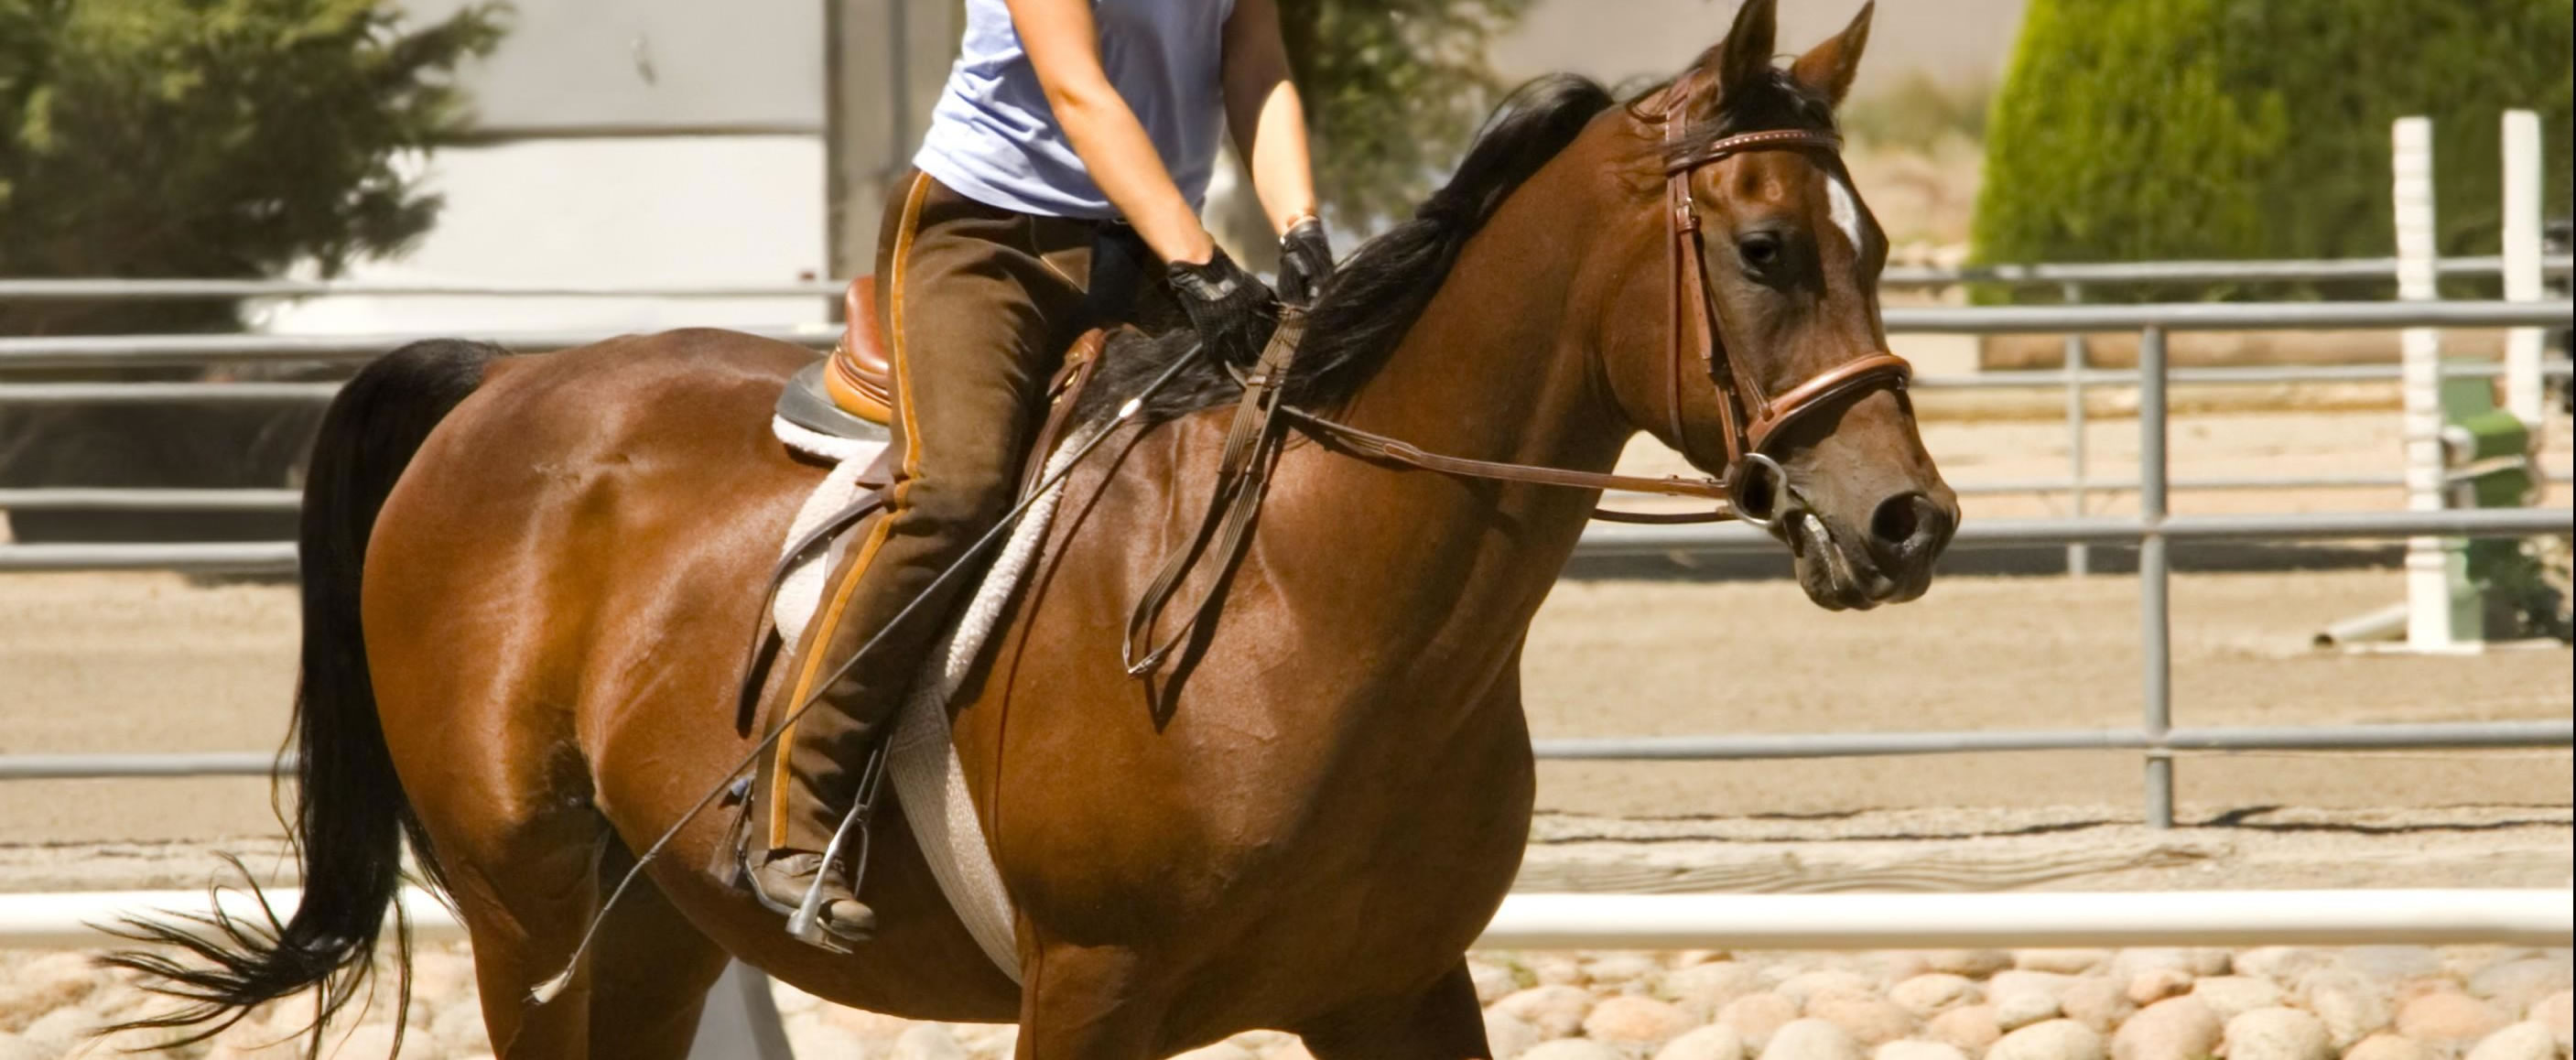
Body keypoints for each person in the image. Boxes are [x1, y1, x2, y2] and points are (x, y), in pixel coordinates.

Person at [752, 0, 1334, 944]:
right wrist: (1199, 263)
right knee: (956, 489)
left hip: (1153, 240)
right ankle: (792, 801)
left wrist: (1300, 222)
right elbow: (1077, 86)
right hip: (989, 240)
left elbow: (1256, 61)